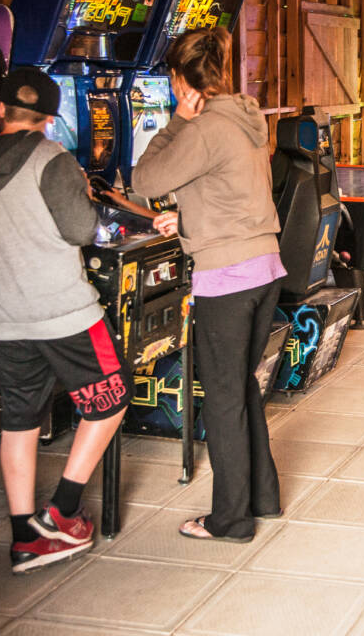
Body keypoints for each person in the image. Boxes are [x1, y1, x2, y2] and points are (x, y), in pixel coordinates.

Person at [0, 68, 129, 573]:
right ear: (50, 118)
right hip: (61, 310)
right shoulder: (51, 158)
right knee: (112, 395)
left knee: (19, 420)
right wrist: (79, 189)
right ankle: (62, 511)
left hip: (5, 314)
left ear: (1, 109)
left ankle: (24, 538)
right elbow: (82, 229)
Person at [132, 27, 284, 542]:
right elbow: (231, 188)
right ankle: (263, 497)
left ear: (180, 80)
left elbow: (144, 181)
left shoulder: (201, 128)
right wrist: (189, 218)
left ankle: (231, 520)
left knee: (221, 399)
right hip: (264, 268)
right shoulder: (246, 117)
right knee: (240, 388)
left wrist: (178, 119)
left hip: (228, 277)